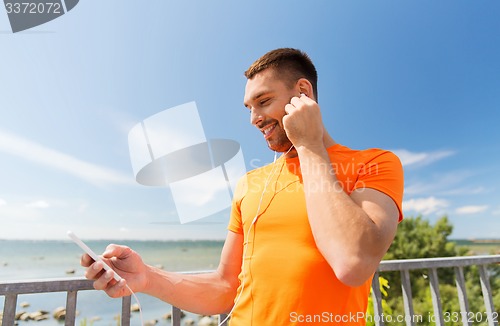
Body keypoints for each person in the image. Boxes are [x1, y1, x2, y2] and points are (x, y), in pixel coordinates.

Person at [81, 48, 404, 325]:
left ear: (303, 93)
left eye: (263, 101)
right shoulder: (251, 184)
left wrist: (309, 146)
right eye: (249, 108)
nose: (254, 118)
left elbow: (353, 263)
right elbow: (225, 288)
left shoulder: (374, 163)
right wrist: (147, 277)